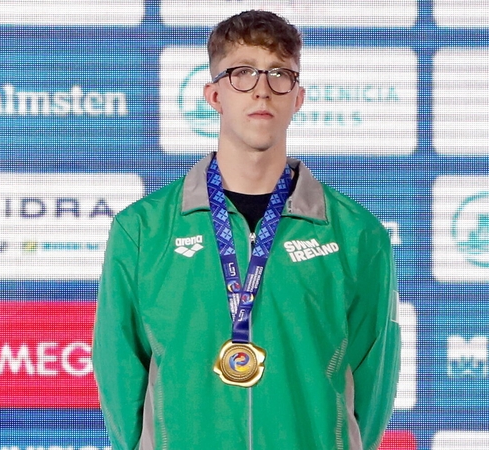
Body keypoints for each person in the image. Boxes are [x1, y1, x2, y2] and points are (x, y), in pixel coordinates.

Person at [92, 9, 400, 450]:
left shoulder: (357, 235)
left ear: (298, 97)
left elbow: (372, 392)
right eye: (242, 73)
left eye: (280, 75)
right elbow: (120, 378)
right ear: (214, 95)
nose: (261, 89)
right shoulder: (142, 231)